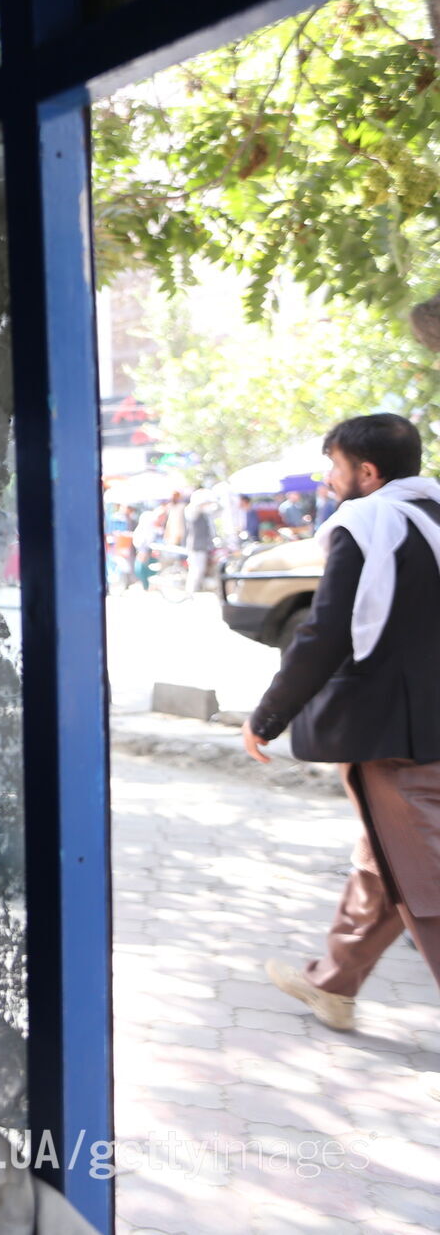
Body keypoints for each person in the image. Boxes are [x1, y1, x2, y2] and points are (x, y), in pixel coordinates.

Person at [244, 413, 440, 1029]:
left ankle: (333, 983)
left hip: (396, 734)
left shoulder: (367, 523)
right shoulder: (433, 515)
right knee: (383, 858)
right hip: (427, 725)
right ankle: (333, 985)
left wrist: (269, 716)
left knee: (426, 873)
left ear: (367, 471)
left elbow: (325, 634)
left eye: (334, 466)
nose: (329, 480)